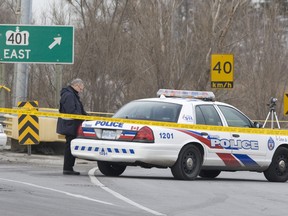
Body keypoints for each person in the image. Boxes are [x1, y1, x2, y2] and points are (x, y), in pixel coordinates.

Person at [56, 78, 87, 175]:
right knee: (69, 147)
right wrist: (82, 118)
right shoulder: (69, 95)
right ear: (77, 85)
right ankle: (67, 168)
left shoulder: (73, 95)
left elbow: (80, 110)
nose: (81, 90)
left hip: (72, 125)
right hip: (69, 125)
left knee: (71, 146)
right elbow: (72, 111)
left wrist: (88, 118)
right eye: (81, 88)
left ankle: (69, 168)